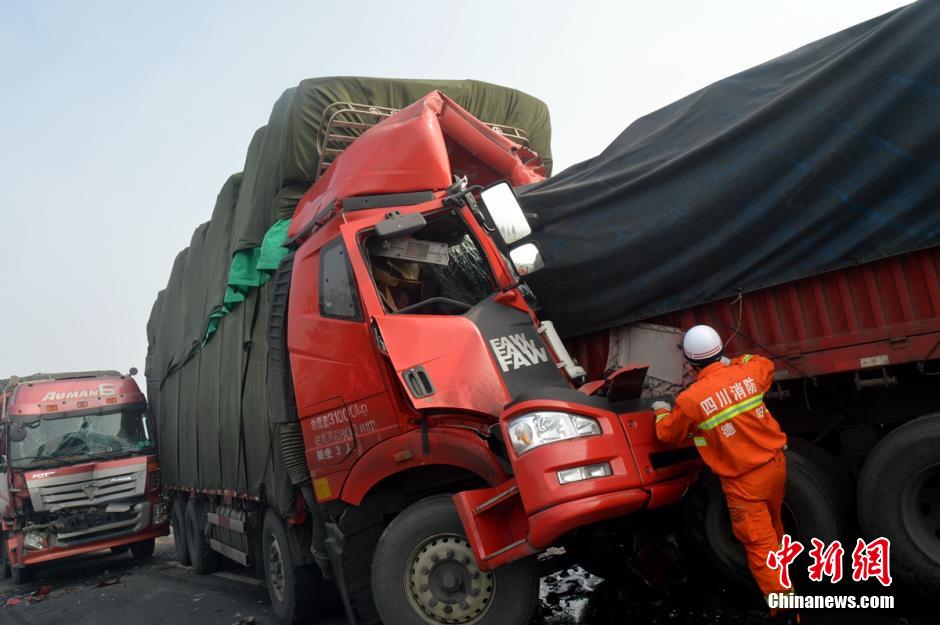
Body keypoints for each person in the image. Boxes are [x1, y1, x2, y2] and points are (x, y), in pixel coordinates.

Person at [652, 325, 796, 620]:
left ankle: (785, 612)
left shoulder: (691, 400)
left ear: (690, 364)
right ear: (720, 351)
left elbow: (668, 435)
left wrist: (660, 411)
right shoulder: (748, 374)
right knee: (773, 529)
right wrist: (736, 362)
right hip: (775, 468)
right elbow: (764, 363)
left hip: (744, 483)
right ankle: (786, 583)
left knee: (760, 546)